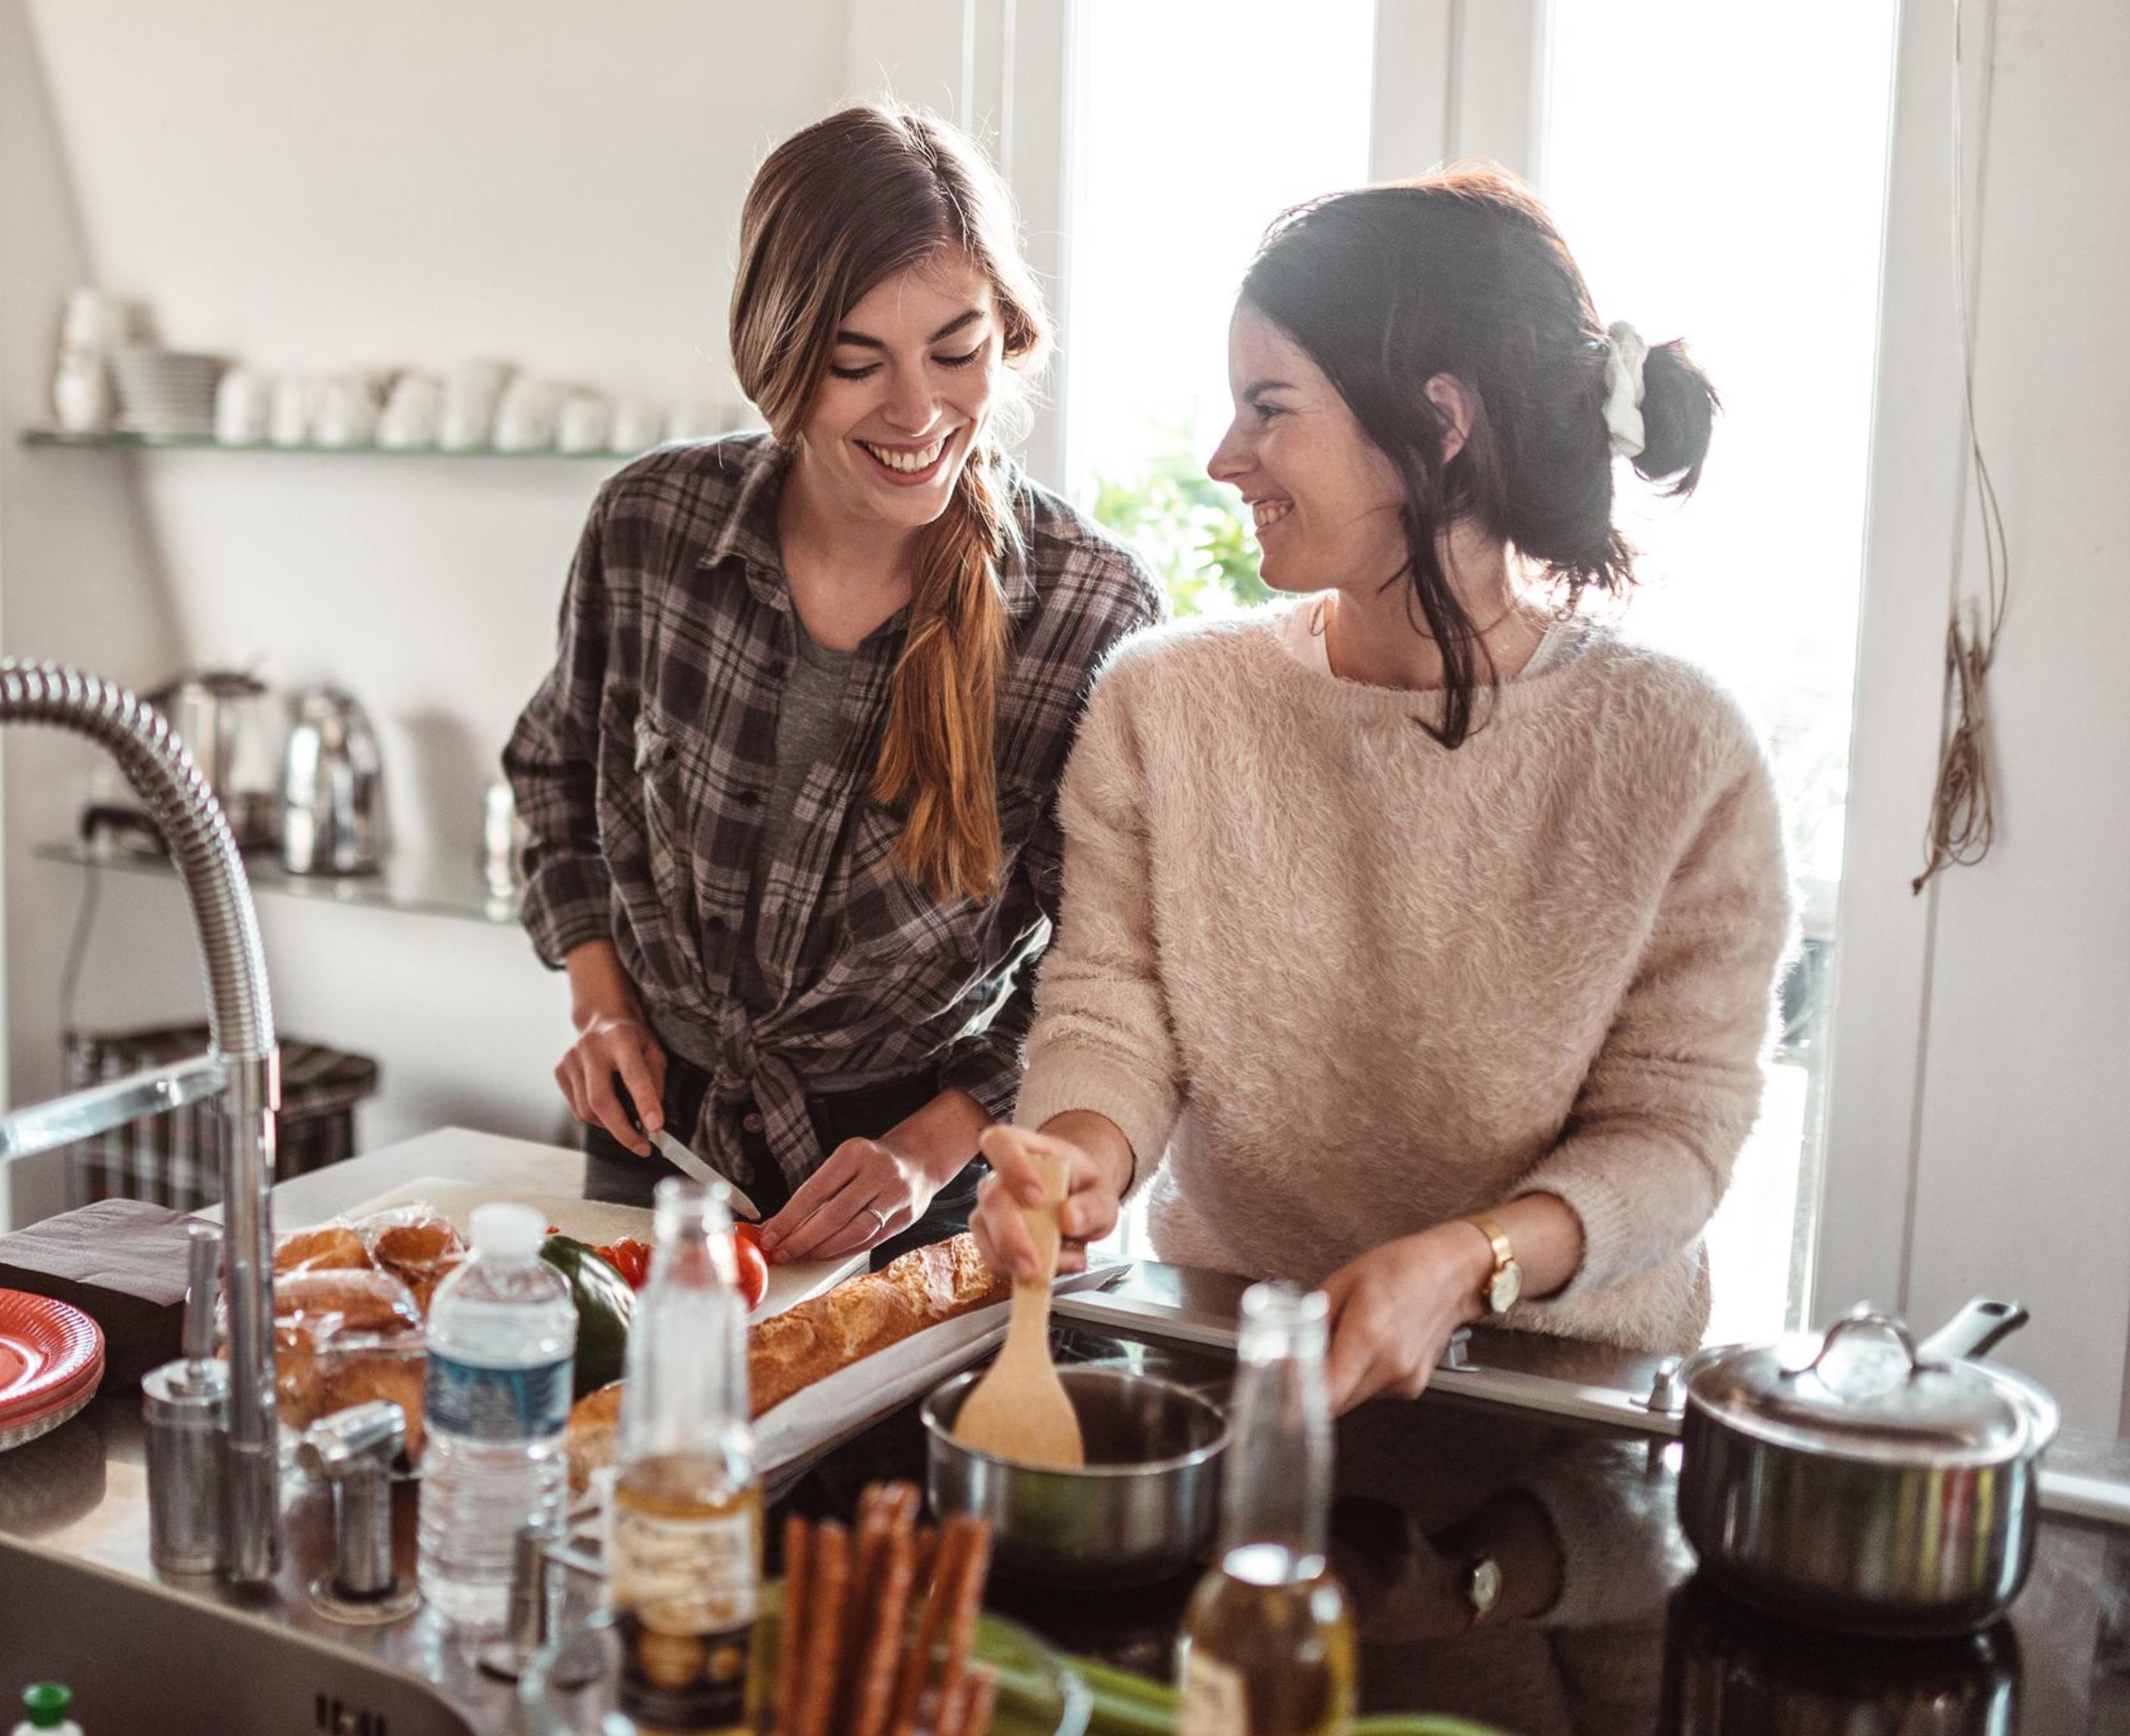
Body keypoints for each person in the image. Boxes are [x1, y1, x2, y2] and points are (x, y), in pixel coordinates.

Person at [974, 168, 1791, 1408]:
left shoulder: (1681, 752)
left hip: (1559, 1395)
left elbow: (1676, 1134)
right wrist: (1080, 1153)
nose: (1223, 456)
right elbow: (1110, 1008)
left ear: (1439, 422)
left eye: (1270, 407)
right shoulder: (1164, 706)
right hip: (1233, 1360)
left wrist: (1473, 1261)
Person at [502, 102, 1156, 1268]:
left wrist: (929, 1146)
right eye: (859, 364)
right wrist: (600, 999)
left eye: (957, 351)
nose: (917, 414)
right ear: (780, 360)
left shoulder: (1085, 609)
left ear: (1008, 332)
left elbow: (1100, 963)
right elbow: (553, 774)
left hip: (925, 1182)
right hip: (660, 1142)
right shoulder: (650, 527)